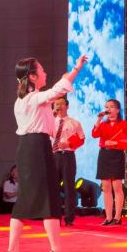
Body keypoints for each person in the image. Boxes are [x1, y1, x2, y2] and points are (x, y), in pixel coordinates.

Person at [4, 55, 86, 252]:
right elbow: (57, 90)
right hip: (36, 148)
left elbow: (57, 89)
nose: (45, 73)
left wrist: (71, 73)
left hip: (31, 148)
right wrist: (76, 69)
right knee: (45, 199)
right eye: (41, 70)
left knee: (34, 200)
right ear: (32, 77)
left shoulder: (26, 99)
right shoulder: (33, 98)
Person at [92, 98, 127, 225]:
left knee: (117, 187)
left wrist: (115, 143)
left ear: (118, 110)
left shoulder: (123, 124)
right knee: (106, 188)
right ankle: (108, 217)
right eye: (106, 107)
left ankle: (117, 217)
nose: (108, 109)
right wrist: (98, 119)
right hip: (104, 155)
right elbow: (94, 134)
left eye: (111, 106)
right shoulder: (103, 124)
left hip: (117, 155)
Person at [50, 96, 85, 226]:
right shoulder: (49, 122)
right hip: (53, 156)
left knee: (69, 187)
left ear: (67, 106)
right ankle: (55, 217)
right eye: (56, 104)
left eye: (61, 104)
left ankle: (69, 218)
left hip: (68, 156)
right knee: (53, 187)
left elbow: (81, 139)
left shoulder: (74, 123)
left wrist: (68, 144)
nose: (58, 106)